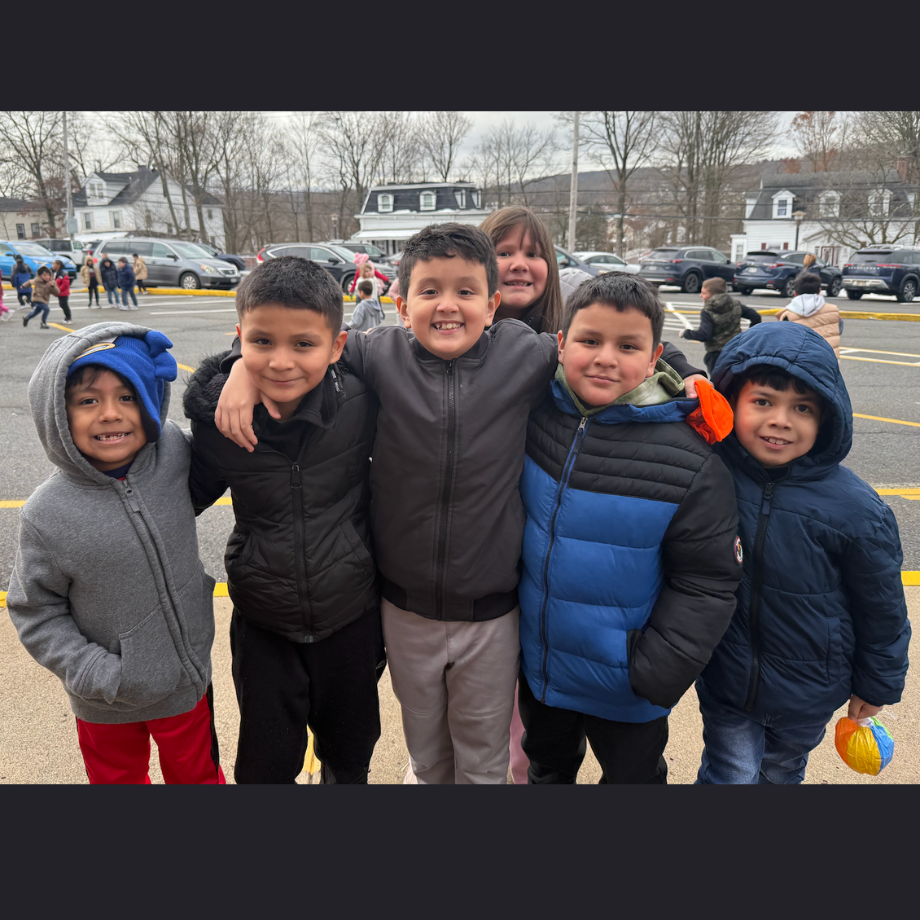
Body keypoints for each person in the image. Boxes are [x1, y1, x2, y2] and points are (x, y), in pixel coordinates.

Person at [214, 223, 706, 784]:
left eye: (466, 292)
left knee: (482, 758)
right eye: (429, 291)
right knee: (426, 754)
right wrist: (237, 368)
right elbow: (296, 340)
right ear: (400, 304)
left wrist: (685, 374)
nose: (447, 305)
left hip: (492, 613)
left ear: (493, 304)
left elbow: (606, 340)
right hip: (403, 609)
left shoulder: (527, 355)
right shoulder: (377, 355)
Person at [517, 273, 742, 784]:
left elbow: (707, 580)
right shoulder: (533, 417)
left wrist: (657, 668)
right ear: (560, 343)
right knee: (547, 770)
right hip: (544, 673)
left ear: (655, 355)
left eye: (627, 345)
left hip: (628, 683)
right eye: (589, 341)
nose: (605, 358)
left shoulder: (688, 458)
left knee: (634, 779)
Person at [182, 257, 384, 784]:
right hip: (264, 624)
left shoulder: (364, 403)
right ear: (240, 339)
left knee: (350, 756)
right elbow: (178, 500)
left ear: (336, 348)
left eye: (303, 344)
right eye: (261, 342)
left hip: (352, 618)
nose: (280, 361)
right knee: (265, 765)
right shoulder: (222, 427)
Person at [6, 324, 224, 784]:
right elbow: (35, 611)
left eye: (127, 397)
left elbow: (221, 428)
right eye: (88, 401)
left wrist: (233, 373)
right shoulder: (47, 514)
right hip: (106, 700)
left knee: (199, 777)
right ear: (57, 414)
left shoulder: (173, 455)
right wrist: (96, 674)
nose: (110, 414)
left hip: (186, 685)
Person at [696, 322, 911, 784]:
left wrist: (877, 685)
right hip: (729, 680)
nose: (780, 420)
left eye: (802, 408)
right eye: (763, 402)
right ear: (731, 400)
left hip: (810, 690)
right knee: (729, 774)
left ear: (827, 418)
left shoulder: (856, 509)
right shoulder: (711, 474)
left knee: (782, 773)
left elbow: (883, 607)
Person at [680, 277, 762, 374]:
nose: (700, 295)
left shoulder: (708, 311)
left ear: (713, 295)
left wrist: (685, 333)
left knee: (718, 385)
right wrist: (747, 338)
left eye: (704, 293)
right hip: (736, 351)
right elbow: (755, 317)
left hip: (716, 355)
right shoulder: (735, 305)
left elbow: (704, 334)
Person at [777, 271, 840, 358]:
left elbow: (784, 341)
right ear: (819, 291)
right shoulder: (833, 311)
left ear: (795, 293)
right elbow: (839, 330)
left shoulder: (787, 315)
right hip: (829, 363)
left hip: (800, 364)